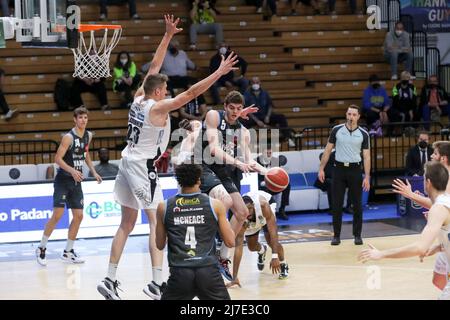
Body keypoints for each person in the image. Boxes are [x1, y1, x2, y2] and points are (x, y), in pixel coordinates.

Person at [96, 15, 240, 300]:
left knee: (126, 223)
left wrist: (167, 36)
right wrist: (219, 73)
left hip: (127, 161)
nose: (167, 93)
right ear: (159, 92)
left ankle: (109, 278)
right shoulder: (158, 109)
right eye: (165, 90)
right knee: (154, 221)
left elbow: (156, 64)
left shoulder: (138, 97)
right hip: (141, 166)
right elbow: (191, 92)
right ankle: (157, 282)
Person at [359, 161, 450, 300]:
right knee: (438, 281)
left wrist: (381, 254)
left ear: (428, 182)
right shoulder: (445, 202)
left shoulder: (438, 209)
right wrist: (439, 247)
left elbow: (420, 248)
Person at [155, 164, 235, 300]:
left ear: (179, 181)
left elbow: (159, 244)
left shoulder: (164, 206)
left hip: (180, 272)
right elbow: (230, 241)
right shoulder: (215, 205)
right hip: (208, 271)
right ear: (199, 180)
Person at [35, 107, 102, 266]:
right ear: (74, 119)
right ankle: (41, 247)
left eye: (85, 117)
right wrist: (72, 170)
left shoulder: (88, 135)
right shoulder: (68, 137)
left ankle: (68, 251)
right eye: (80, 117)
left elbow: (85, 153)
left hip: (77, 181)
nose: (83, 120)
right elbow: (58, 159)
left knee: (78, 216)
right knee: (57, 215)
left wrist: (93, 171)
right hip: (63, 180)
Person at [393, 141, 450, 293]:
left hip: (445, 238)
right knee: (438, 280)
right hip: (444, 238)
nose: (431, 155)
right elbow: (437, 204)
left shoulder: (447, 181)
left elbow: (438, 205)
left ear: (443, 158)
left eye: (435, 153)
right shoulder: (441, 177)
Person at [318, 105, 371, 246]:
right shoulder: (337, 130)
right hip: (339, 169)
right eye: (349, 114)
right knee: (337, 204)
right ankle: (336, 235)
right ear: (346, 115)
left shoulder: (364, 134)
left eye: (354, 114)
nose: (351, 117)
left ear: (358, 116)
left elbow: (366, 156)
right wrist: (321, 168)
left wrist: (367, 176)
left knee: (357, 205)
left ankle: (357, 235)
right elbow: (328, 150)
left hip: (355, 170)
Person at [226, 190, 289, 288]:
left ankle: (283, 263)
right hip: (251, 219)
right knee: (251, 246)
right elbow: (238, 247)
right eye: (246, 210)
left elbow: (273, 231)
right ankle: (261, 250)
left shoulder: (263, 206)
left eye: (250, 208)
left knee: (270, 241)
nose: (248, 212)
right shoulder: (240, 216)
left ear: (253, 206)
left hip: (266, 207)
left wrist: (274, 256)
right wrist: (234, 277)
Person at [243, 76, 296, 147]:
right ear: (251, 83)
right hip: (254, 118)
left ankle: (288, 138)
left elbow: (270, 105)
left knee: (281, 117)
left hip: (265, 116)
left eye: (257, 82)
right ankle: (245, 143)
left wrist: (268, 116)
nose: (255, 84)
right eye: (253, 82)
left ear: (260, 83)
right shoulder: (247, 94)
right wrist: (257, 121)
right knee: (242, 122)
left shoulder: (265, 93)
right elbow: (247, 109)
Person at [256, 147, 290, 220]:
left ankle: (282, 209)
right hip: (261, 185)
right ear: (262, 153)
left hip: (273, 185)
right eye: (267, 153)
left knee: (287, 185)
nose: (268, 155)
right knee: (264, 187)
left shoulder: (275, 161)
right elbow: (253, 177)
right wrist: (263, 182)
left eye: (270, 153)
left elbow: (278, 175)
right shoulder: (257, 161)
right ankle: (268, 213)